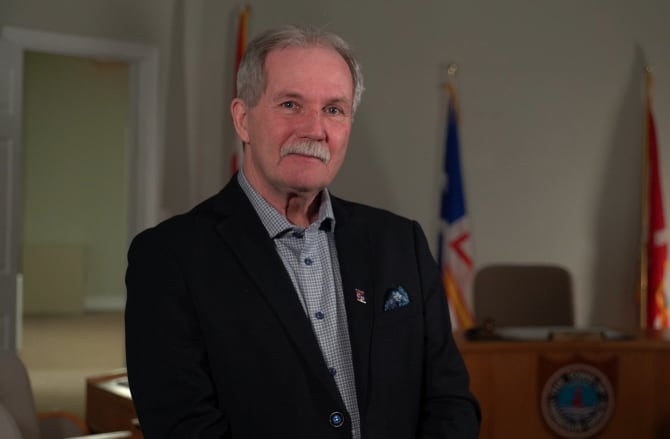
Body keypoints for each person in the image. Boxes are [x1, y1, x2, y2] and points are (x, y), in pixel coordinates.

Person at [124, 24, 480, 439]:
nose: (315, 129)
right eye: (291, 104)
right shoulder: (169, 258)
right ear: (242, 120)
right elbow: (182, 427)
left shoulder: (401, 243)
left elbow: (450, 401)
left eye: (334, 109)